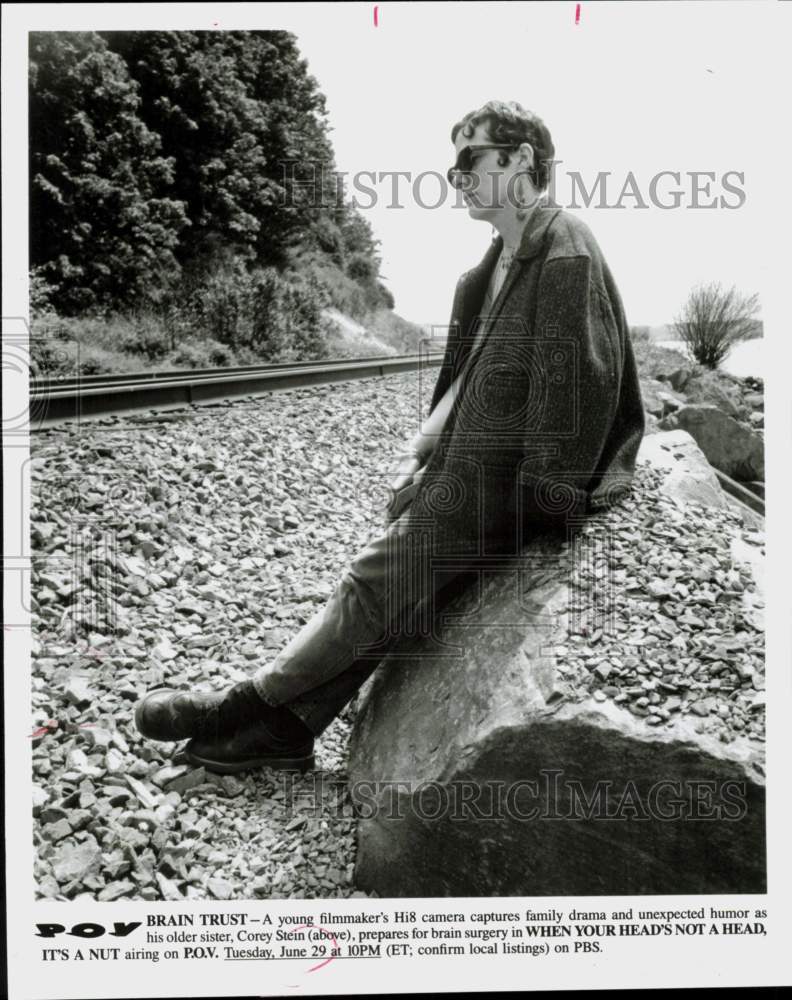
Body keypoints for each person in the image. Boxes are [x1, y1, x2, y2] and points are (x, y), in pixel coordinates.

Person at [134, 100, 645, 774]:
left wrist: (532, 511)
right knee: (401, 589)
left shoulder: (564, 247)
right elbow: (463, 389)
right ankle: (287, 728)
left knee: (380, 578)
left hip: (519, 483)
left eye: (471, 159)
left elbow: (581, 382)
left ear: (522, 158)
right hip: (475, 468)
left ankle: (243, 704)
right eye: (453, 163)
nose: (457, 177)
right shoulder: (489, 273)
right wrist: (424, 461)